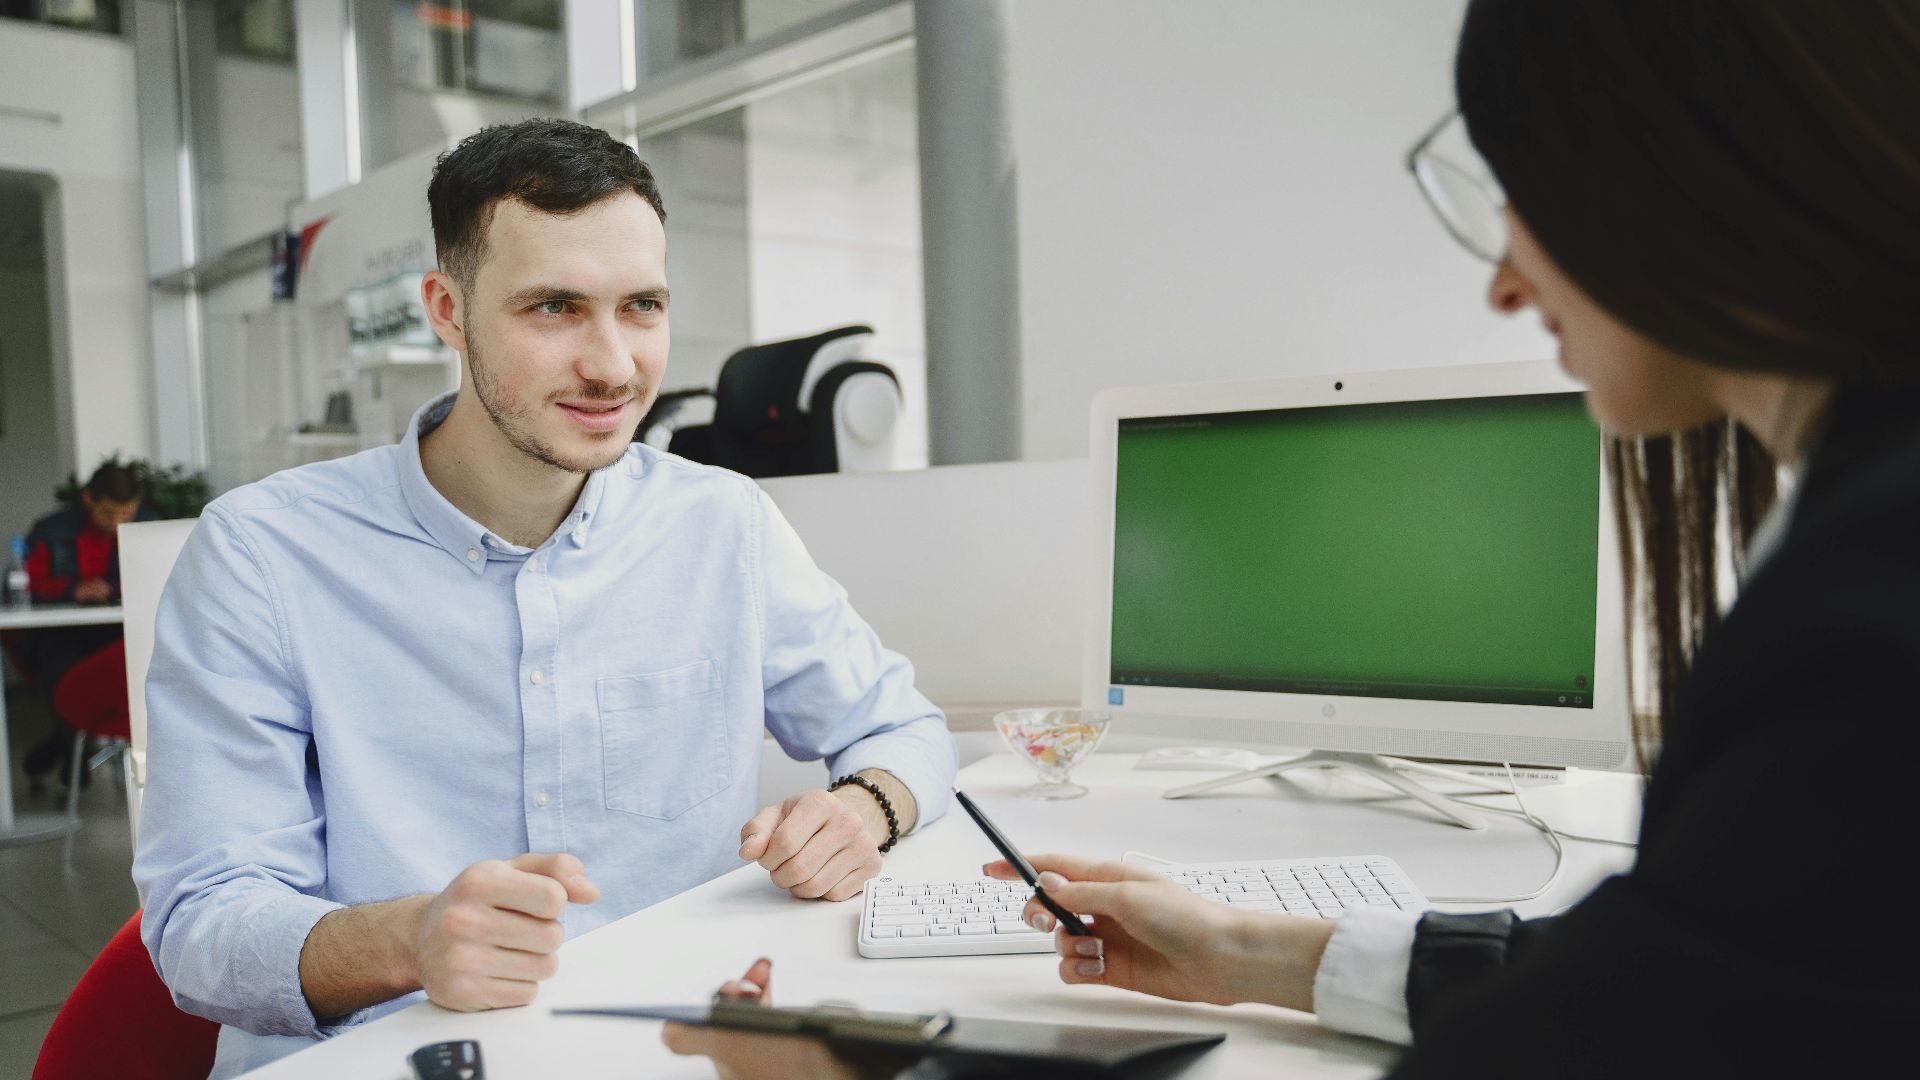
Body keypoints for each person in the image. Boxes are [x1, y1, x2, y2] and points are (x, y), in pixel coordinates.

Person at [677, 1, 1920, 1076]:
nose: (1504, 281)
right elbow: (1676, 989)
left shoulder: (1865, 608)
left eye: (1526, 193)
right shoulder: (1853, 540)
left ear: (1694, 171)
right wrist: (1258, 952)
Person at [132, 118, 957, 1079]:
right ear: (448, 310)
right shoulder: (261, 554)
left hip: (663, 1056)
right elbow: (201, 923)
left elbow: (902, 728)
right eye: (555, 308)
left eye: (641, 306)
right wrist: (413, 941)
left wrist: (866, 808)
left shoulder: (722, 524)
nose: (613, 365)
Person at [14, 463, 146, 789]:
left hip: (114, 633)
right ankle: (71, 753)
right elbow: (30, 585)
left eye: (126, 514)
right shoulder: (50, 531)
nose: (117, 523)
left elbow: (152, 575)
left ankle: (65, 749)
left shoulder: (147, 527)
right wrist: (72, 591)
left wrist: (111, 589)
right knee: (61, 670)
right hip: (61, 632)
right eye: (108, 513)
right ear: (89, 500)